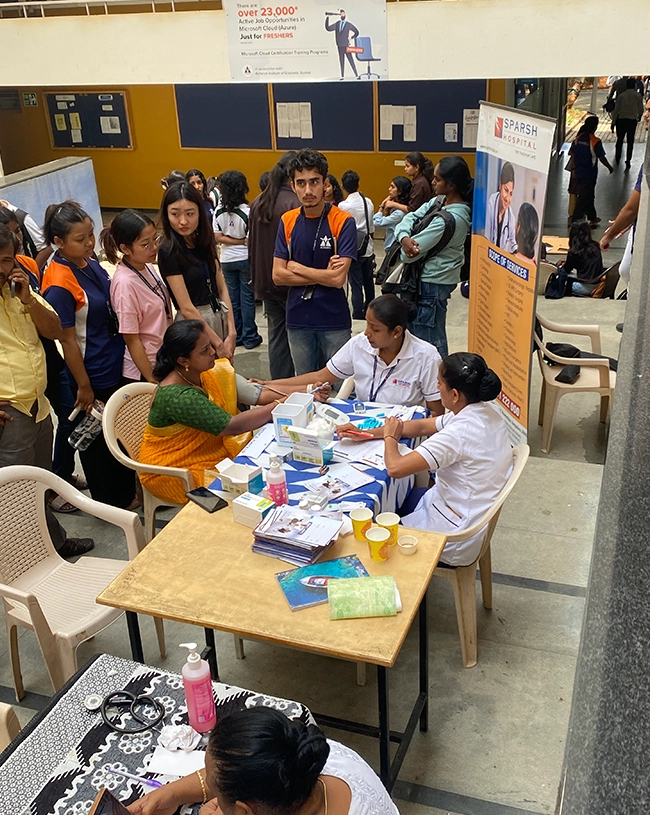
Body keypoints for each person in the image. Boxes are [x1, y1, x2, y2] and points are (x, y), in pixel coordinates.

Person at [138, 320, 328, 505]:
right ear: (183, 360)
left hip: (209, 456)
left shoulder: (206, 372)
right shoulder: (178, 396)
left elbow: (257, 393)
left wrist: (307, 390)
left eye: (210, 345)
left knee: (268, 472)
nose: (213, 352)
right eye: (204, 350)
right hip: (173, 470)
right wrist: (279, 405)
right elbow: (232, 426)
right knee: (248, 491)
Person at [0, 224, 94, 558]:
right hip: (10, 414)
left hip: (39, 407)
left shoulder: (19, 291)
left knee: (39, 483)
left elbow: (55, 330)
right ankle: (22, 560)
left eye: (6, 260)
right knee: (14, 494)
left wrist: (28, 300)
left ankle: (51, 543)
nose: (1, 268)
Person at [41, 201, 137, 510]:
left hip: (113, 360)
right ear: (59, 241)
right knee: (97, 441)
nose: (89, 243)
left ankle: (127, 492)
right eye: (80, 239)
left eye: (91, 235)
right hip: (91, 371)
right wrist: (83, 385)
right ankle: (110, 502)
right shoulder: (58, 283)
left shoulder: (87, 262)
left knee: (117, 432)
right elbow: (68, 340)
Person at [127, 706, 398, 815]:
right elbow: (241, 768)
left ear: (244, 811)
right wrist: (173, 793)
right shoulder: (305, 755)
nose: (207, 782)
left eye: (211, 783)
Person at [380, 352, 511, 567]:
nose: (437, 387)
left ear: (455, 395)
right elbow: (423, 426)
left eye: (440, 383)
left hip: (456, 535)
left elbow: (395, 468)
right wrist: (364, 432)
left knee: (376, 523)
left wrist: (389, 438)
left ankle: (407, 582)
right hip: (466, 509)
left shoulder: (458, 434)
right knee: (399, 499)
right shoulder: (485, 409)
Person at [261, 294, 443, 415]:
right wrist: (268, 384)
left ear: (396, 332)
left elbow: (436, 412)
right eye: (367, 324)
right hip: (361, 422)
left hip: (401, 429)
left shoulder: (426, 357)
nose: (367, 333)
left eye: (375, 329)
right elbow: (321, 377)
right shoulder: (360, 344)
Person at [273, 148, 357, 375]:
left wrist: (297, 268)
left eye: (314, 182)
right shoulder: (287, 220)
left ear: (325, 184)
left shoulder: (343, 221)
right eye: (301, 183)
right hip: (297, 318)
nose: (308, 190)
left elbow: (338, 279)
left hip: (334, 319)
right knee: (305, 385)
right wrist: (323, 275)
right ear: (293, 186)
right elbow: (278, 275)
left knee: (342, 385)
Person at [393, 156, 473, 358]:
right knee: (418, 338)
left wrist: (405, 243)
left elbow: (408, 256)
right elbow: (410, 217)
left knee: (430, 341)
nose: (433, 182)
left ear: (452, 185)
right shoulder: (438, 201)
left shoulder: (450, 219)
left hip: (432, 284)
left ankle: (440, 377)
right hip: (424, 281)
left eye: (437, 179)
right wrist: (403, 237)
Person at [158, 181, 237, 362]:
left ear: (199, 212)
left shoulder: (204, 240)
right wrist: (218, 344)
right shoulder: (168, 250)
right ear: (166, 214)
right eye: (175, 214)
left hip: (218, 314)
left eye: (190, 213)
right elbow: (186, 307)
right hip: (194, 326)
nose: (183, 221)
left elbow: (222, 288)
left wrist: (232, 331)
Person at [100, 209, 172, 383]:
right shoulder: (125, 284)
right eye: (145, 244)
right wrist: (151, 378)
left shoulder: (146, 265)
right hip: (144, 370)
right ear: (125, 248)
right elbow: (131, 339)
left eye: (155, 239)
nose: (154, 247)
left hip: (161, 359)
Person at [248, 152, 299, 379]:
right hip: (291, 281)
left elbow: (251, 245)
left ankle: (279, 384)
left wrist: (254, 274)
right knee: (301, 338)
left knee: (277, 336)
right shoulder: (294, 203)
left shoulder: (259, 201)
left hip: (265, 280)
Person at [212, 169, 263, 350]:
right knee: (247, 298)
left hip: (227, 260)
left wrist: (231, 240)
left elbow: (218, 237)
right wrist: (241, 241)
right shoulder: (249, 212)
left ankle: (237, 335)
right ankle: (250, 336)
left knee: (232, 299)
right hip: (245, 259)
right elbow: (250, 240)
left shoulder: (218, 211)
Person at [339, 170, 375, 320]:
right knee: (369, 282)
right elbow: (371, 227)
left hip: (352, 248)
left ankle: (358, 313)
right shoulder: (368, 202)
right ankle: (372, 309)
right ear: (358, 184)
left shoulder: (343, 206)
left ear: (343, 186)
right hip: (367, 246)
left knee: (356, 284)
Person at [568, 115, 613, 226]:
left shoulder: (578, 138)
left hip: (578, 171)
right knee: (584, 197)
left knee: (588, 194)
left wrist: (573, 169)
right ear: (595, 127)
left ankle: (592, 218)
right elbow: (601, 157)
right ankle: (575, 220)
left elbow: (572, 154)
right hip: (590, 173)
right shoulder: (595, 141)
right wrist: (609, 167)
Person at [0, 198, 53, 269]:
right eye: (10, 234)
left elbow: (46, 248)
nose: (17, 239)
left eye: (17, 231)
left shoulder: (21, 218)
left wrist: (31, 271)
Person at [563, 219, 604, 296]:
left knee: (559, 279)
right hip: (598, 284)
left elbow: (566, 269)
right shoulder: (595, 246)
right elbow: (585, 263)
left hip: (584, 287)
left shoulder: (575, 251)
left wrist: (559, 266)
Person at [611, 77, 644, 169]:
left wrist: (613, 121)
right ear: (634, 85)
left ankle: (617, 157)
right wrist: (639, 117)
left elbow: (616, 110)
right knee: (630, 141)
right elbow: (641, 109)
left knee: (620, 139)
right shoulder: (638, 96)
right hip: (632, 121)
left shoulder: (621, 96)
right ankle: (628, 160)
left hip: (621, 120)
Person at [485, 162, 517, 252]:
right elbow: (487, 236)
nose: (508, 198)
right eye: (506, 190)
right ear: (500, 185)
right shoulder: (492, 202)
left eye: (511, 193)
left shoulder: (511, 217)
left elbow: (514, 244)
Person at [373, 176, 411, 250]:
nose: (389, 189)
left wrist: (382, 206)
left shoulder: (399, 213)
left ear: (400, 191)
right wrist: (387, 212)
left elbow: (377, 222)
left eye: (392, 187)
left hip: (393, 248)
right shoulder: (398, 208)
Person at [325, 9, 359, 80]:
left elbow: (356, 32)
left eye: (343, 14)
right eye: (341, 14)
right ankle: (342, 76)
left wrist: (351, 37)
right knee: (341, 60)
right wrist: (328, 17)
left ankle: (356, 75)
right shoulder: (337, 24)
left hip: (346, 45)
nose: (342, 15)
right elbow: (328, 28)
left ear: (345, 15)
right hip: (339, 45)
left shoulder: (348, 24)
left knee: (351, 60)